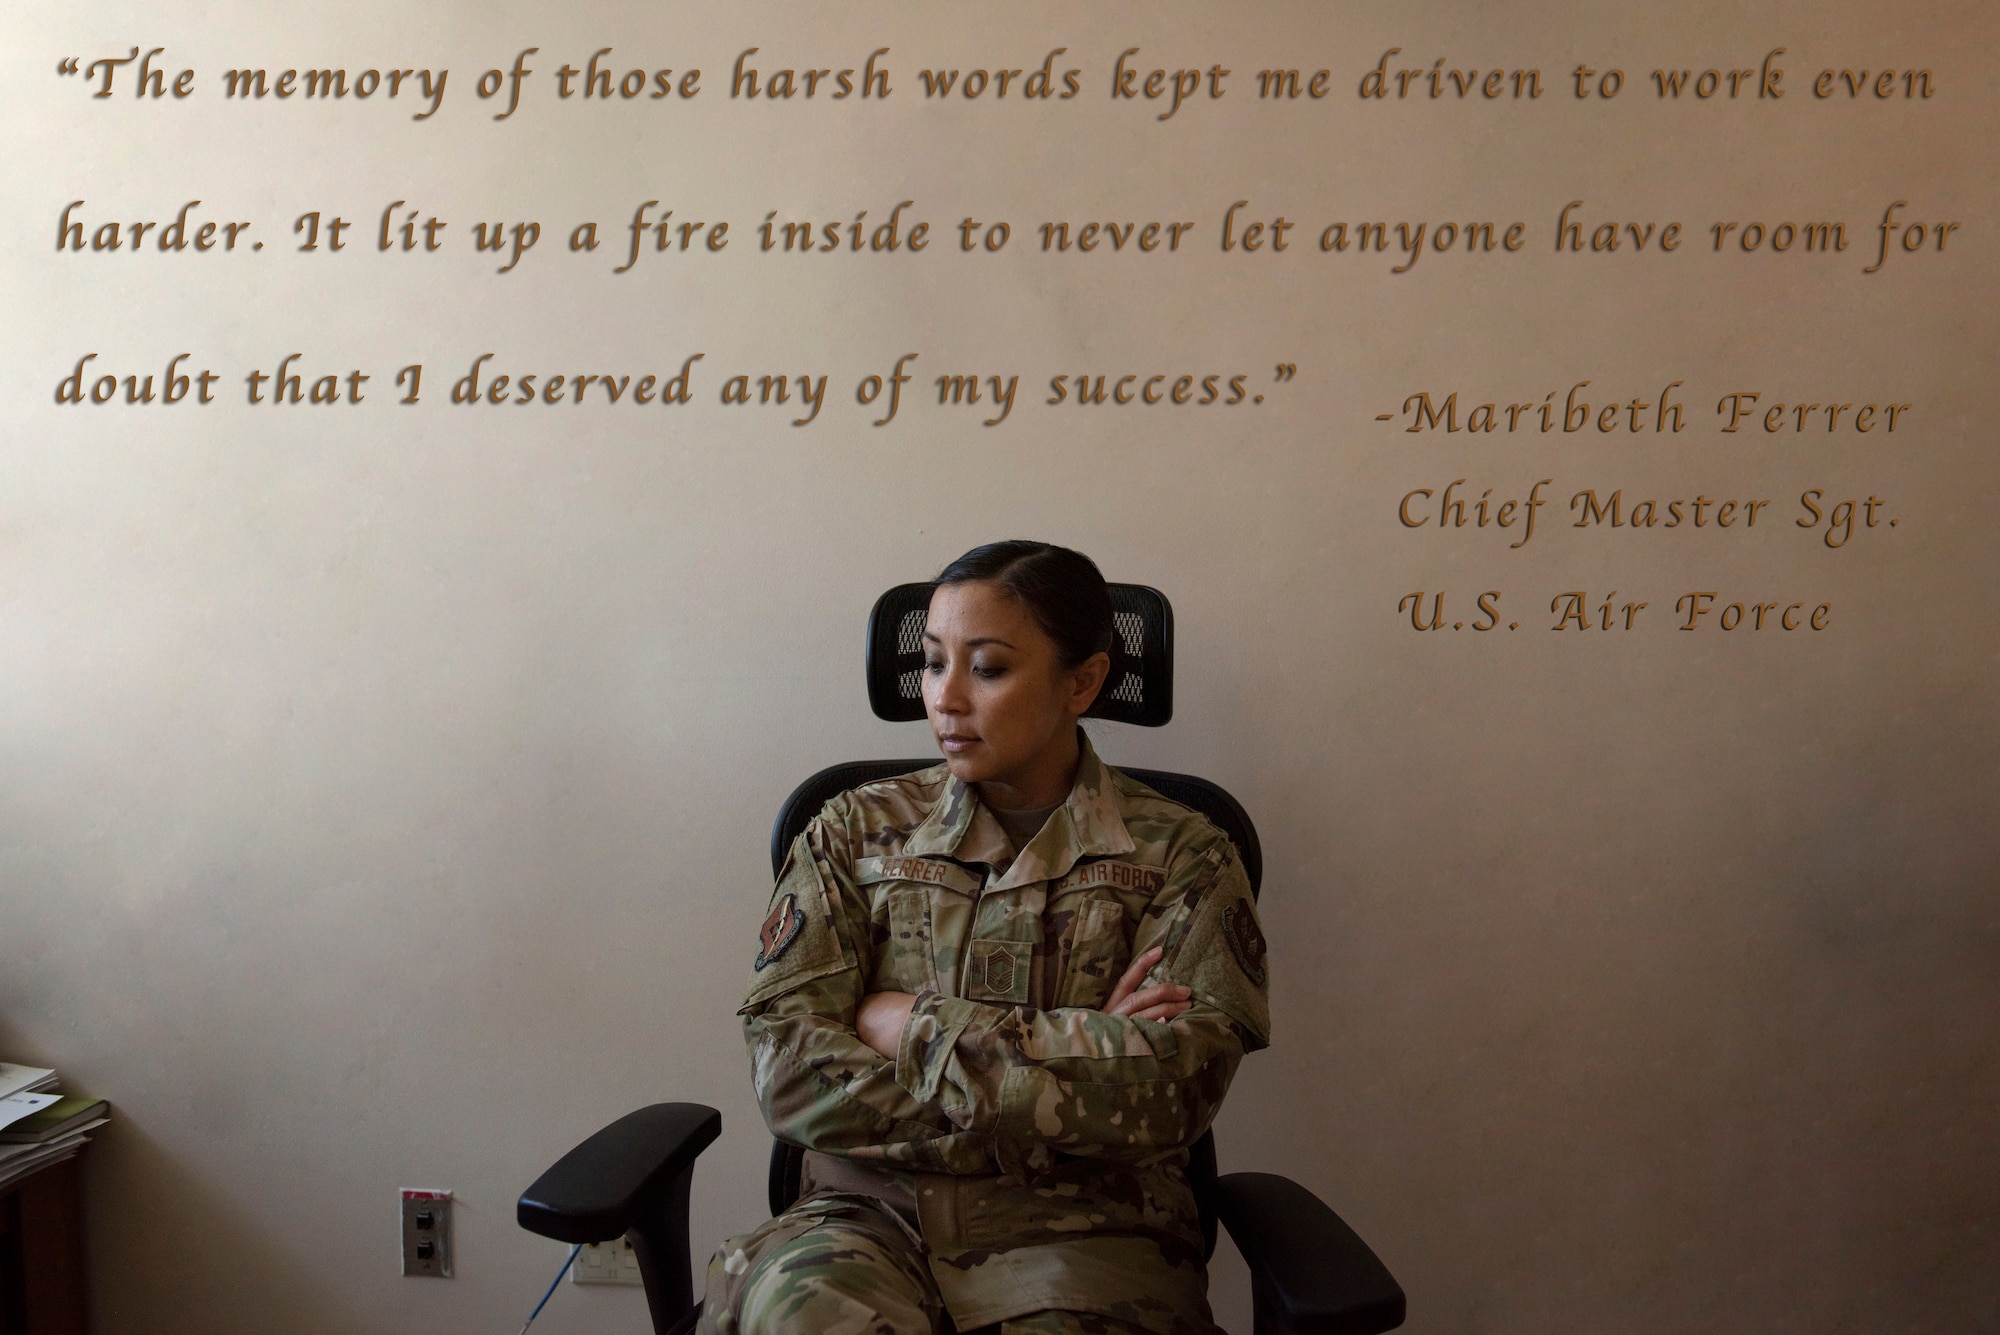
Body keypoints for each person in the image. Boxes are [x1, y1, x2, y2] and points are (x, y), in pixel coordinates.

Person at [699, 541, 1271, 1335]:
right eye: (933, 664)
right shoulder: (851, 831)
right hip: (861, 1219)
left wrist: (907, 1025)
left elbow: (1174, 1092)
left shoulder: (1185, 855)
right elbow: (788, 1072)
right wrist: (1074, 1066)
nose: (946, 698)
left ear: (1083, 681)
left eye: (989, 668)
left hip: (1089, 1235)